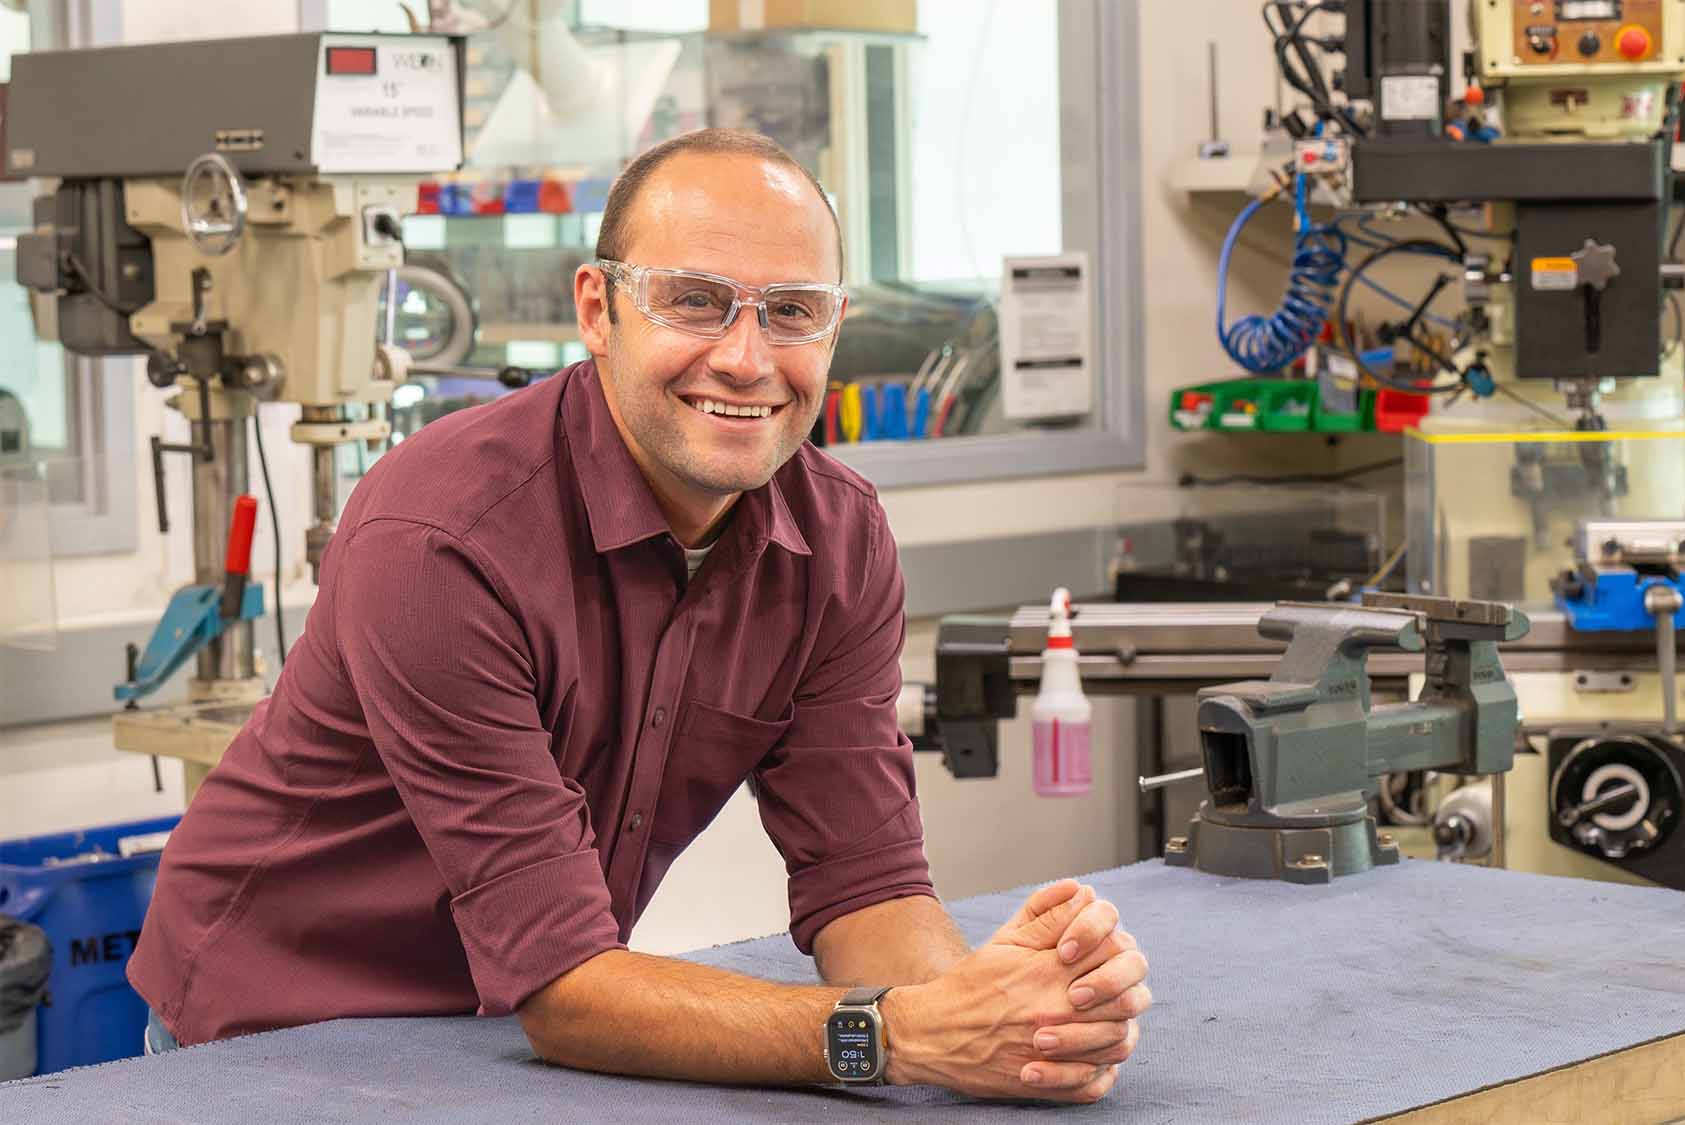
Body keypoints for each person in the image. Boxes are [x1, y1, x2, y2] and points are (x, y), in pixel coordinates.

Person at [127, 129, 1149, 1104]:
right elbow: (567, 986)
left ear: (833, 327)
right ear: (598, 309)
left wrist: (1009, 1019)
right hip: (276, 1034)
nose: (745, 358)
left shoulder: (838, 543)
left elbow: (866, 888)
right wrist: (897, 1034)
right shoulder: (442, 538)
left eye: (792, 311)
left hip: (511, 1040)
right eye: (694, 301)